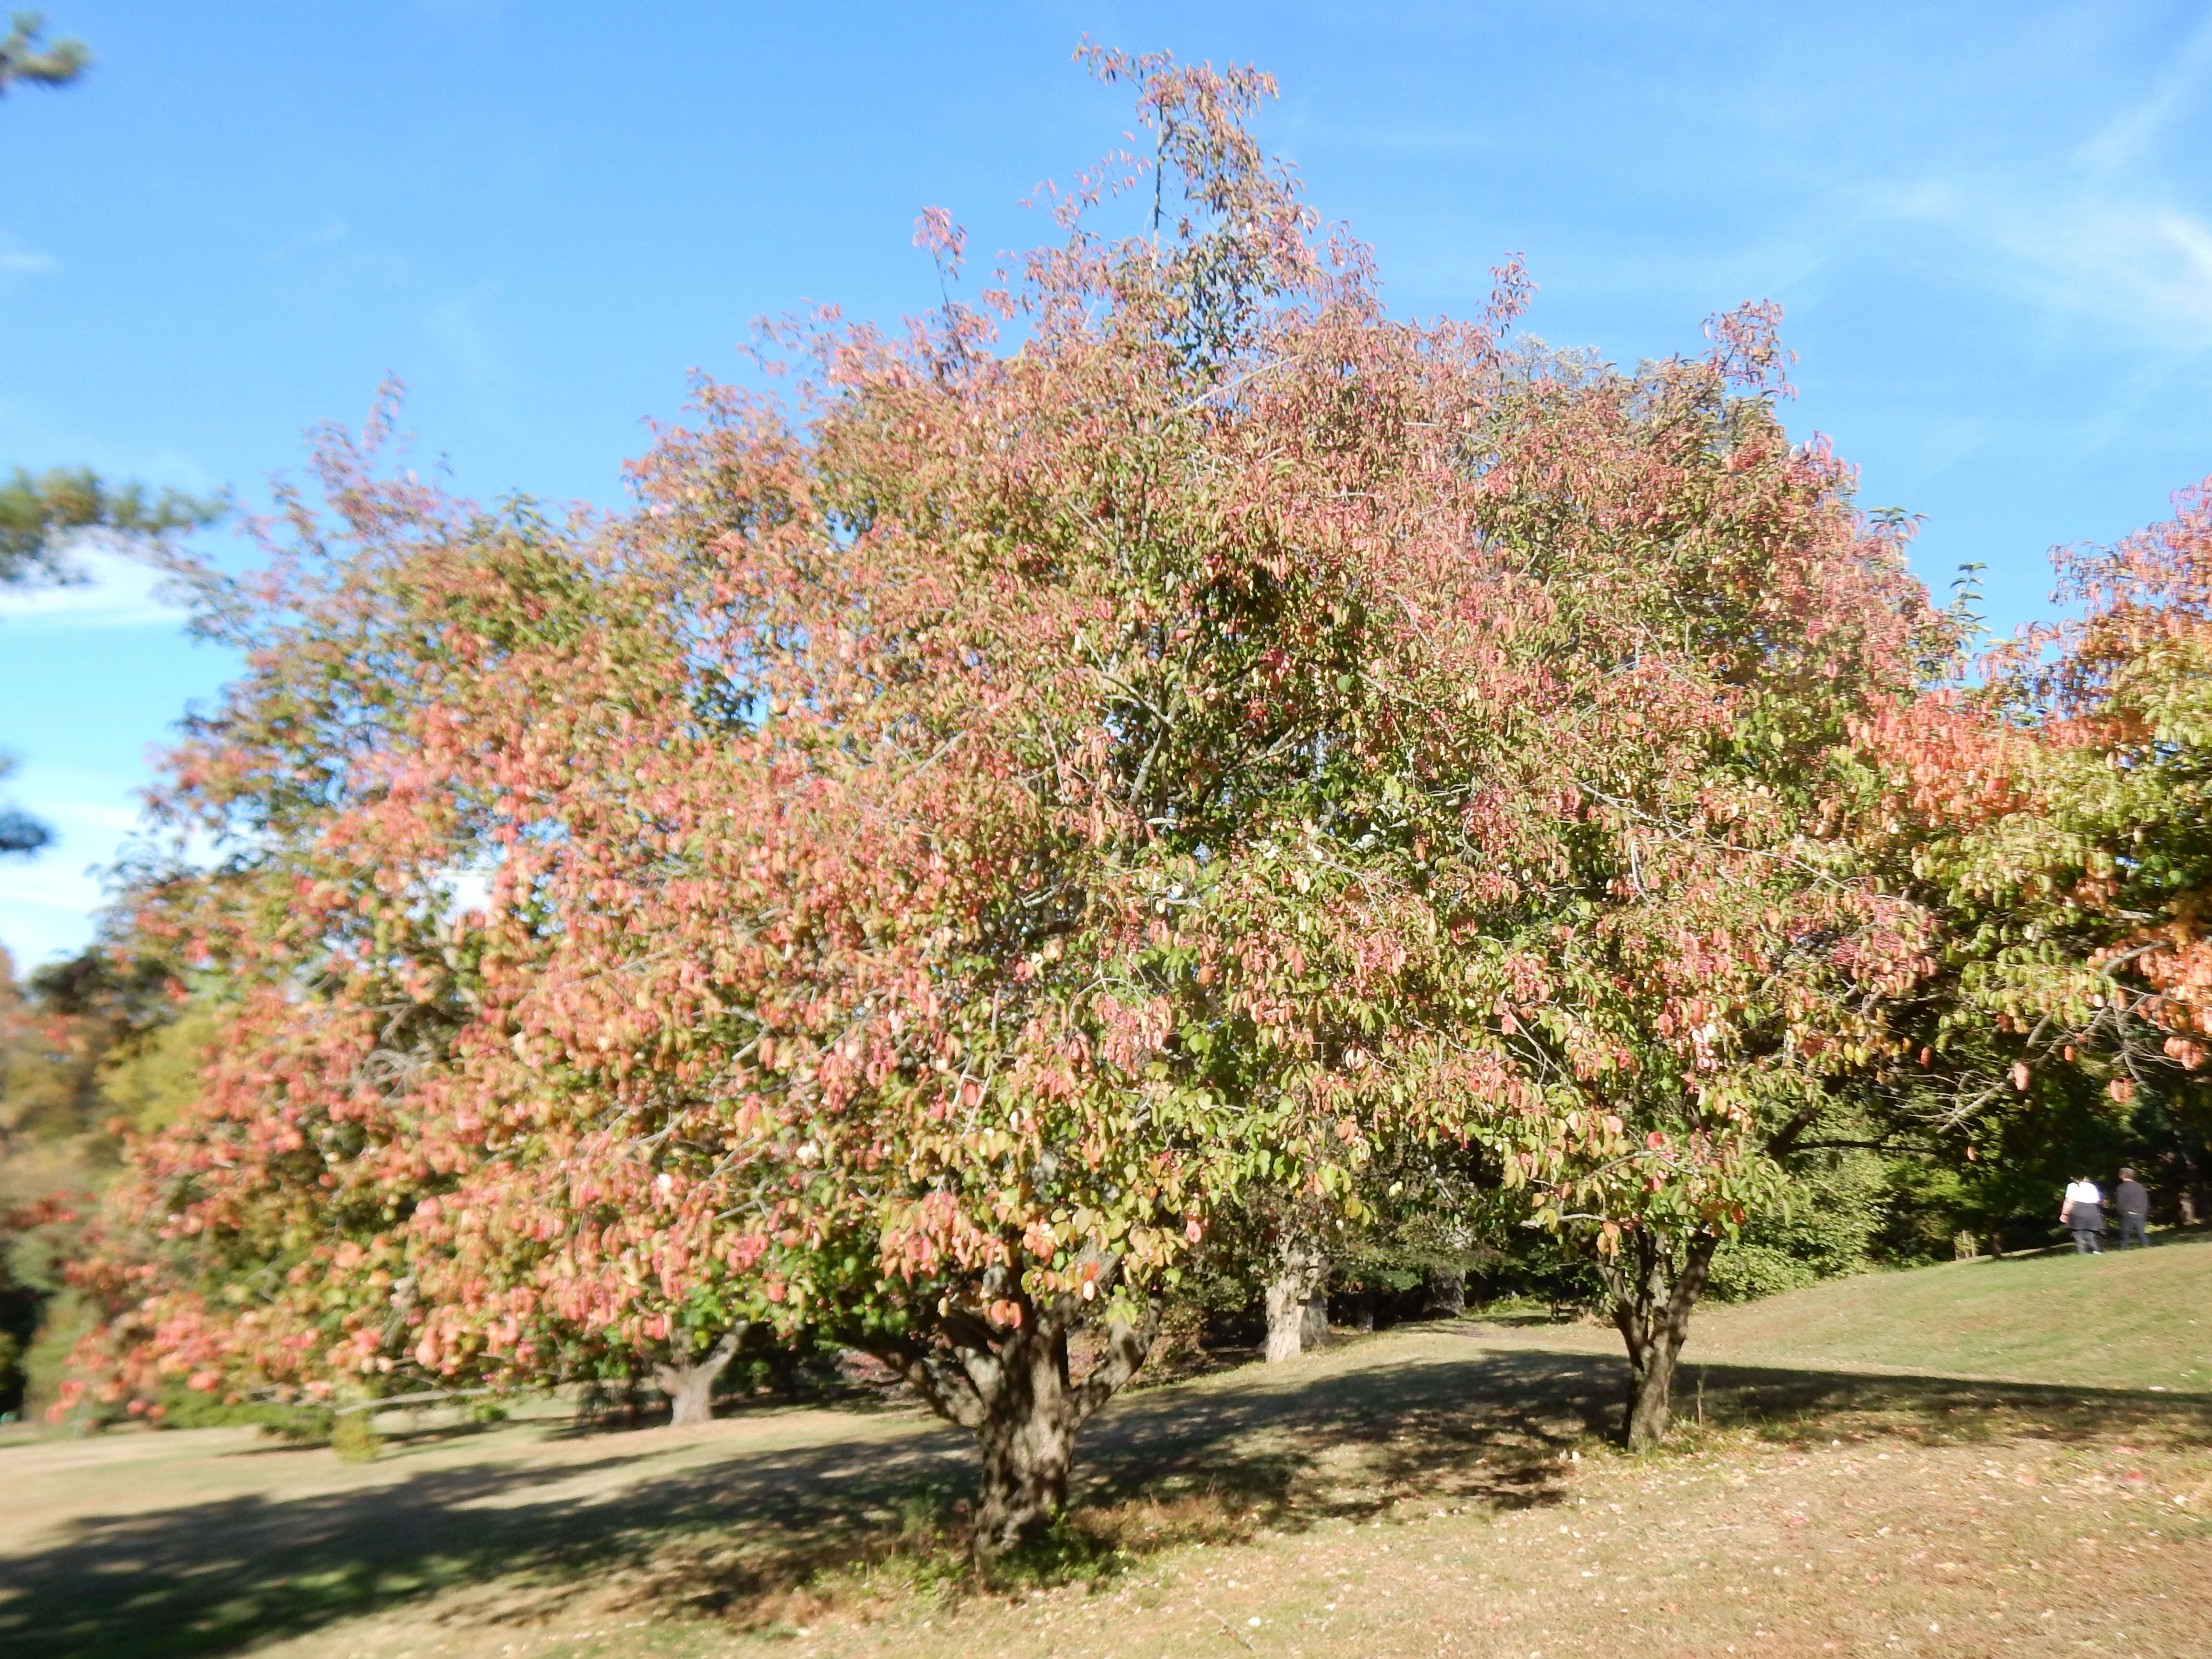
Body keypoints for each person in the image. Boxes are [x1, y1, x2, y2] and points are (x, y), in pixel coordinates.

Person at [2061, 1176, 2105, 1254]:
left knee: (2077, 1233)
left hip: (2078, 1210)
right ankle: (2096, 1250)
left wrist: (2065, 1214)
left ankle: (2081, 1252)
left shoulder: (2072, 1186)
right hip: (2092, 1210)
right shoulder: (2092, 1186)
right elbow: (2098, 1200)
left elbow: (2069, 1202)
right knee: (2090, 1233)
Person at [2114, 1167, 2152, 1248]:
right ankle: (2147, 1247)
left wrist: (2122, 1212)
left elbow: (2120, 1202)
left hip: (2127, 1214)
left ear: (2123, 1175)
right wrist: (2144, 1211)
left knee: (2125, 1234)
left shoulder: (2121, 1188)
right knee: (2142, 1233)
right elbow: (2145, 1200)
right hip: (2140, 1213)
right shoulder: (2140, 1186)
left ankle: (2124, 1249)